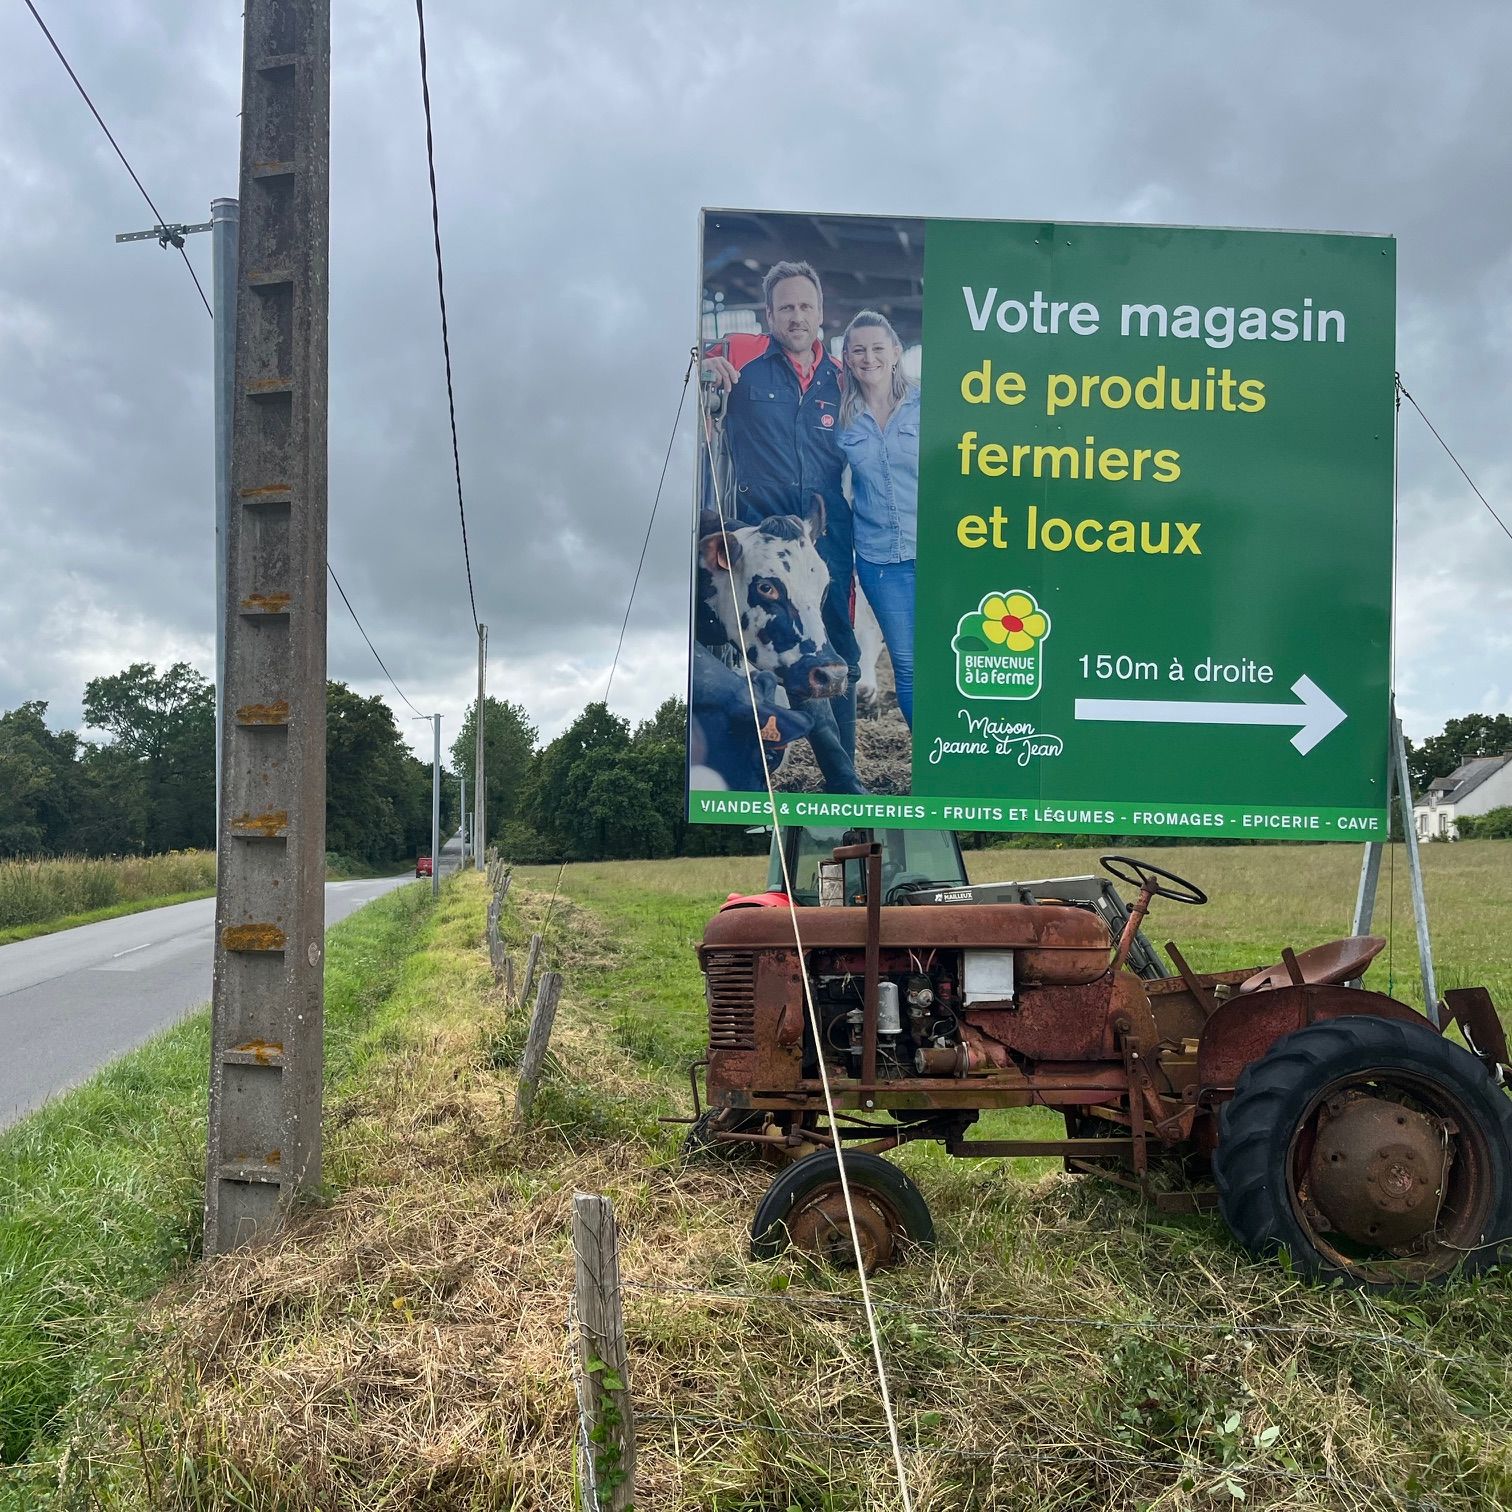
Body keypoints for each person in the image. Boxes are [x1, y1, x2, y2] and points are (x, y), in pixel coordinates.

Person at [701, 259, 863, 792]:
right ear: (769, 314)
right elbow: (688, 372)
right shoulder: (743, 362)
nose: (798, 316)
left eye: (806, 307)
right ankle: (791, 767)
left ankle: (845, 775)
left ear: (822, 315)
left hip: (824, 535)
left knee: (837, 643)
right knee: (773, 645)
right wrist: (705, 368)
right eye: (787, 307)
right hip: (759, 534)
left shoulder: (842, 382)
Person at [836, 309, 918, 727]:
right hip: (881, 562)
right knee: (907, 663)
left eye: (877, 349)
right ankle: (931, 759)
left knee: (952, 655)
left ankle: (966, 756)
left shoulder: (927, 408)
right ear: (848, 358)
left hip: (937, 553)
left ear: (896, 353)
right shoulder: (841, 419)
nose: (869, 358)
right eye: (859, 351)